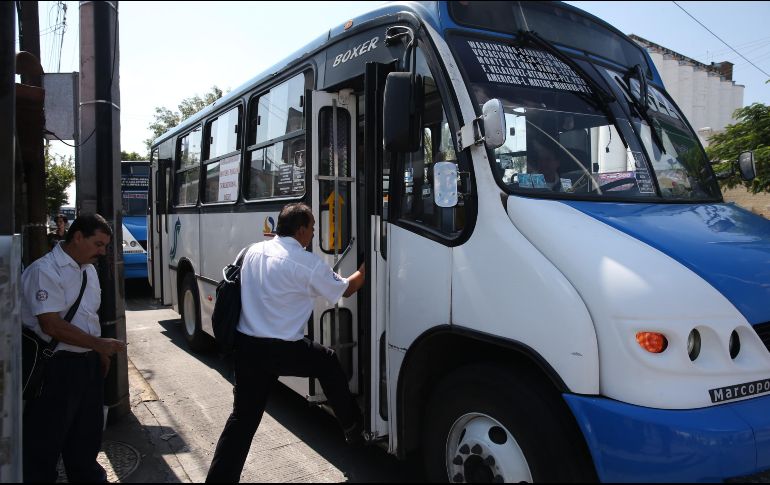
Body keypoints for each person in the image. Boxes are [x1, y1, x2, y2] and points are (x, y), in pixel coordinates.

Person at [206, 202, 366, 483]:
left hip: (247, 347)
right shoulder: (306, 263)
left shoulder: (253, 251)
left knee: (242, 421)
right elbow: (347, 289)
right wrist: (369, 265)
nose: (314, 234)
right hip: (283, 350)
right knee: (327, 362)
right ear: (301, 229)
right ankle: (352, 427)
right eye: (313, 228)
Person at [21, 213, 127, 483]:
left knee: (85, 441)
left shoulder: (88, 270)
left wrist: (98, 352)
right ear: (77, 237)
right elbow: (51, 325)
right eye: (98, 244)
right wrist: (99, 344)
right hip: (55, 369)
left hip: (87, 365)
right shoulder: (44, 270)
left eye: (105, 246)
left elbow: (89, 316)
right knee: (45, 445)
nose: (102, 252)